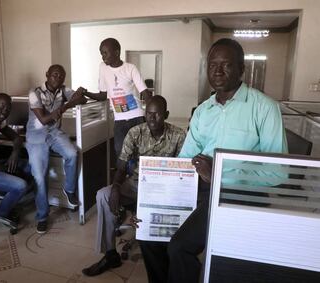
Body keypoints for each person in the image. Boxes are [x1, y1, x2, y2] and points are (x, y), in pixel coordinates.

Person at [137, 38, 288, 283]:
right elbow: (185, 160)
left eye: (226, 64)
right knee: (148, 234)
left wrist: (217, 173)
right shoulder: (202, 111)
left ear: (241, 69)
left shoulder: (265, 108)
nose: (217, 71)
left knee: (179, 247)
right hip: (200, 189)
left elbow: (278, 172)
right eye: (212, 64)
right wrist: (152, 202)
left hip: (238, 194)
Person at [82, 96, 186, 277]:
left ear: (166, 115)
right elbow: (122, 165)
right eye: (148, 114)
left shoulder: (178, 136)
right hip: (137, 184)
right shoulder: (135, 132)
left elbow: (183, 173)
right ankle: (110, 254)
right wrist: (115, 186)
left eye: (157, 115)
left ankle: (166, 255)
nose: (152, 119)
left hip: (165, 189)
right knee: (103, 195)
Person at [26, 64, 87, 234]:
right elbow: (44, 119)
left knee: (72, 153)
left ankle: (68, 190)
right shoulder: (34, 93)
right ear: (47, 75)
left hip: (54, 133)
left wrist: (75, 97)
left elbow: (82, 100)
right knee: (40, 176)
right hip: (36, 136)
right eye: (54, 75)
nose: (58, 78)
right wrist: (67, 105)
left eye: (61, 76)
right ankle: (43, 216)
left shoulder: (63, 90)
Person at [84, 38, 152, 157]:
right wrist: (85, 92)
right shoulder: (103, 67)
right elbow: (103, 95)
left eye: (105, 52)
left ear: (116, 52)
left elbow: (145, 93)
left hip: (136, 116)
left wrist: (151, 116)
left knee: (139, 152)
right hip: (119, 119)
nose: (103, 56)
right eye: (101, 53)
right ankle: (126, 174)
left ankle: (135, 175)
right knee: (120, 152)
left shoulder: (130, 68)